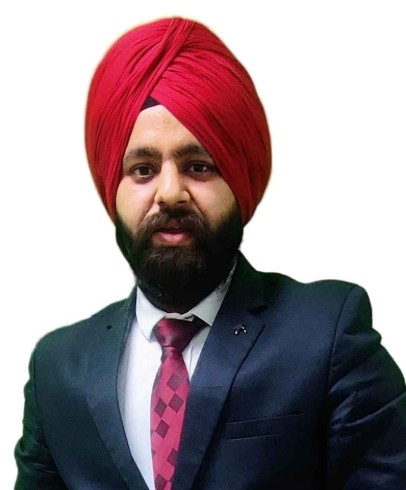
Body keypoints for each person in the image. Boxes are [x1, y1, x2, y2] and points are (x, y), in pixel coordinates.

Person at [14, 17, 406, 490]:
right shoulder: (57, 367)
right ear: (111, 190)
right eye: (143, 170)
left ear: (238, 181)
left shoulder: (327, 333)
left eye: (198, 166)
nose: (170, 193)